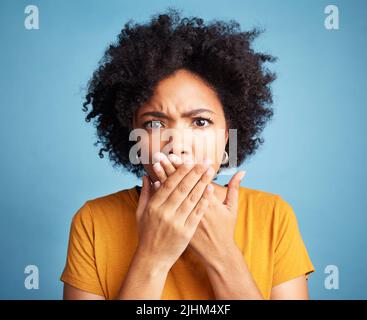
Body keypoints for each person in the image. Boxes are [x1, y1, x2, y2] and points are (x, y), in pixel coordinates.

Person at [60, 8, 314, 300]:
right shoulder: (94, 220)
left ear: (229, 132)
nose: (177, 144)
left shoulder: (273, 216)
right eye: (154, 123)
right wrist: (152, 256)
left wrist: (221, 253)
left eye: (200, 122)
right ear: (132, 133)